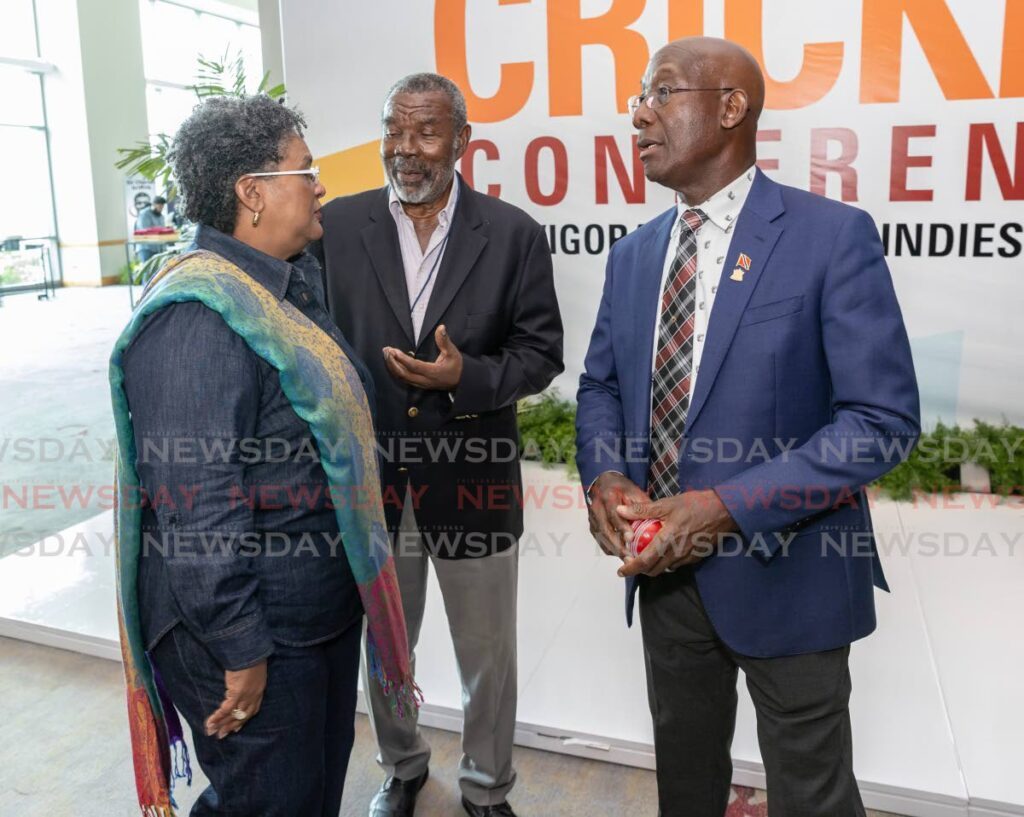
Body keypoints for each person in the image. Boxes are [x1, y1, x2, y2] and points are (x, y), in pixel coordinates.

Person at [576, 38, 920, 817]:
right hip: (664, 577)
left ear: (732, 108)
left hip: (790, 573)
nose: (638, 113)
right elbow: (600, 383)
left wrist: (726, 505)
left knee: (813, 793)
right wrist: (603, 475)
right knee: (687, 786)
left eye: (661, 92)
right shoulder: (633, 256)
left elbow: (881, 422)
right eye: (637, 95)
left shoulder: (832, 236)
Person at [109, 94, 416, 817]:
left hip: (312, 615)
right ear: (251, 193)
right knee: (270, 800)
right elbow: (197, 505)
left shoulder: (280, 285)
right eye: (303, 170)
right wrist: (241, 648)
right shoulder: (197, 316)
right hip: (256, 634)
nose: (320, 185)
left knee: (305, 794)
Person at [312, 73, 563, 817]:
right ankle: (403, 767)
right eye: (395, 129)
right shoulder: (338, 227)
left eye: (425, 133)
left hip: (474, 482)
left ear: (462, 140)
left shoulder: (512, 232)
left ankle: (487, 786)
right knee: (388, 647)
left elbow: (541, 351)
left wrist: (467, 378)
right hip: (371, 484)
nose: (406, 149)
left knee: (488, 658)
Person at [134, 195, 168, 262]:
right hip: (146, 248)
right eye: (159, 207)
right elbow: (145, 230)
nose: (161, 209)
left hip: (158, 249)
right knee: (148, 271)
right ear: (154, 205)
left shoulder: (161, 216)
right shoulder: (144, 214)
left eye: (162, 207)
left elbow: (163, 230)